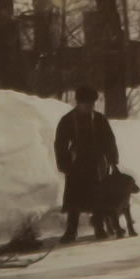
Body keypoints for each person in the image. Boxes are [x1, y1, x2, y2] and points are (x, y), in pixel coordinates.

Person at [53, 84, 120, 243]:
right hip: (77, 165)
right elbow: (60, 144)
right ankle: (71, 230)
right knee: (74, 198)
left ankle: (99, 227)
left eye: (92, 103)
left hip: (96, 164)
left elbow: (109, 141)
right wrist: (64, 163)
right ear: (78, 102)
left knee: (98, 197)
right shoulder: (68, 120)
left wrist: (112, 160)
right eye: (86, 103)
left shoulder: (99, 119)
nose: (90, 106)